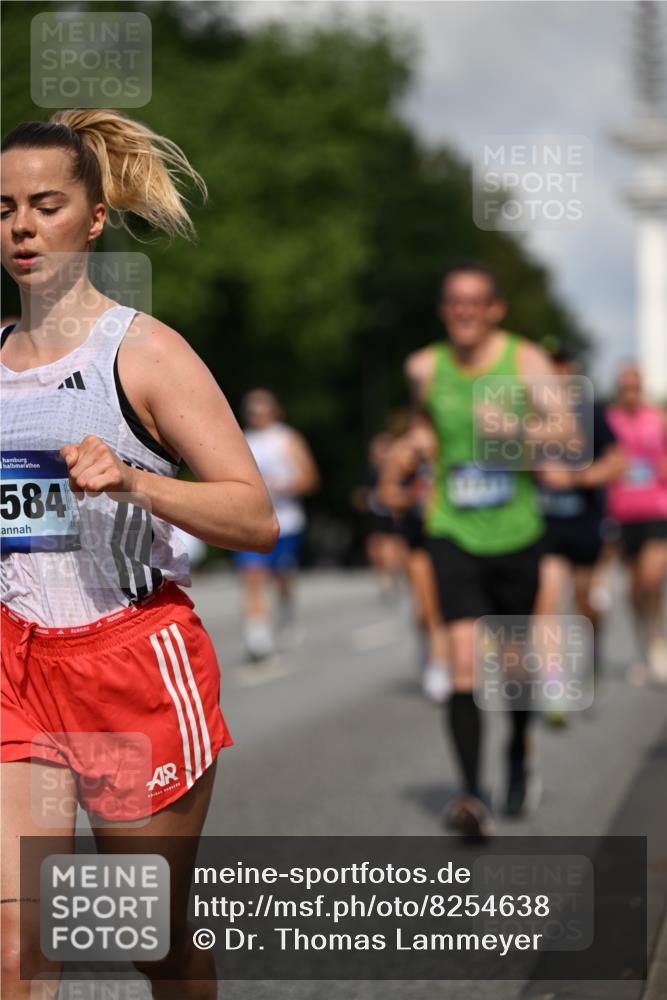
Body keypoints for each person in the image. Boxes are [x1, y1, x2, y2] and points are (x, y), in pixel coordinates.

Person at [0, 109, 278, 1000]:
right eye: (3, 208)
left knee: (148, 937)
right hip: (16, 662)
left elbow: (253, 517)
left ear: (93, 217)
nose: (20, 227)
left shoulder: (146, 352)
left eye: (45, 205)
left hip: (129, 663)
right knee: (13, 936)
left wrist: (133, 482)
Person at [405, 261, 577, 836]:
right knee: (461, 658)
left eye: (476, 302)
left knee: (514, 663)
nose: (465, 312)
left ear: (495, 309)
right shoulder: (425, 367)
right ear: (443, 308)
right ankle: (472, 795)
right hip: (453, 528)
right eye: (455, 302)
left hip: (517, 532)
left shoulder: (524, 361)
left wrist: (515, 431)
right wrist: (417, 447)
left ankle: (518, 754)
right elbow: (424, 424)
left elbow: (570, 436)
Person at [534, 348, 624, 722]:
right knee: (546, 601)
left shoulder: (589, 411)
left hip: (585, 522)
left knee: (585, 601)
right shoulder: (528, 411)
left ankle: (593, 648)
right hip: (544, 525)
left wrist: (577, 476)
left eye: (560, 367)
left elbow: (618, 460)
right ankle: (555, 687)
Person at [233, 388, 319, 660]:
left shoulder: (287, 439)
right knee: (253, 575)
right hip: (250, 520)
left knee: (282, 576)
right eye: (253, 409)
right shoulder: (241, 440)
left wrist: (282, 485)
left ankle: (287, 613)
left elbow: (310, 479)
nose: (258, 414)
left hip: (286, 522)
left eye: (263, 408)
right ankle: (258, 636)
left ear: (275, 410)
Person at [378, 413, 452, 702]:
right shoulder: (403, 451)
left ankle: (442, 665)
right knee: (426, 606)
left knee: (448, 603)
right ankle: (431, 655)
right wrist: (411, 496)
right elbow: (386, 492)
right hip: (418, 536)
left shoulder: (454, 441)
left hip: (452, 534)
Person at [606, 363, 667, 685]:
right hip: (621, 514)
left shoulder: (657, 418)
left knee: (651, 578)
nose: (630, 391)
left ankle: (658, 642)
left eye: (635, 386)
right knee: (633, 587)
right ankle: (644, 645)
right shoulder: (608, 421)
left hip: (657, 510)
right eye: (624, 386)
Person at [351, 431, 407, 602]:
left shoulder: (401, 472)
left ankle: (393, 577)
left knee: (391, 548)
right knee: (375, 550)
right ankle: (384, 577)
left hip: (394, 520)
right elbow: (358, 497)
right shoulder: (369, 473)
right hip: (374, 519)